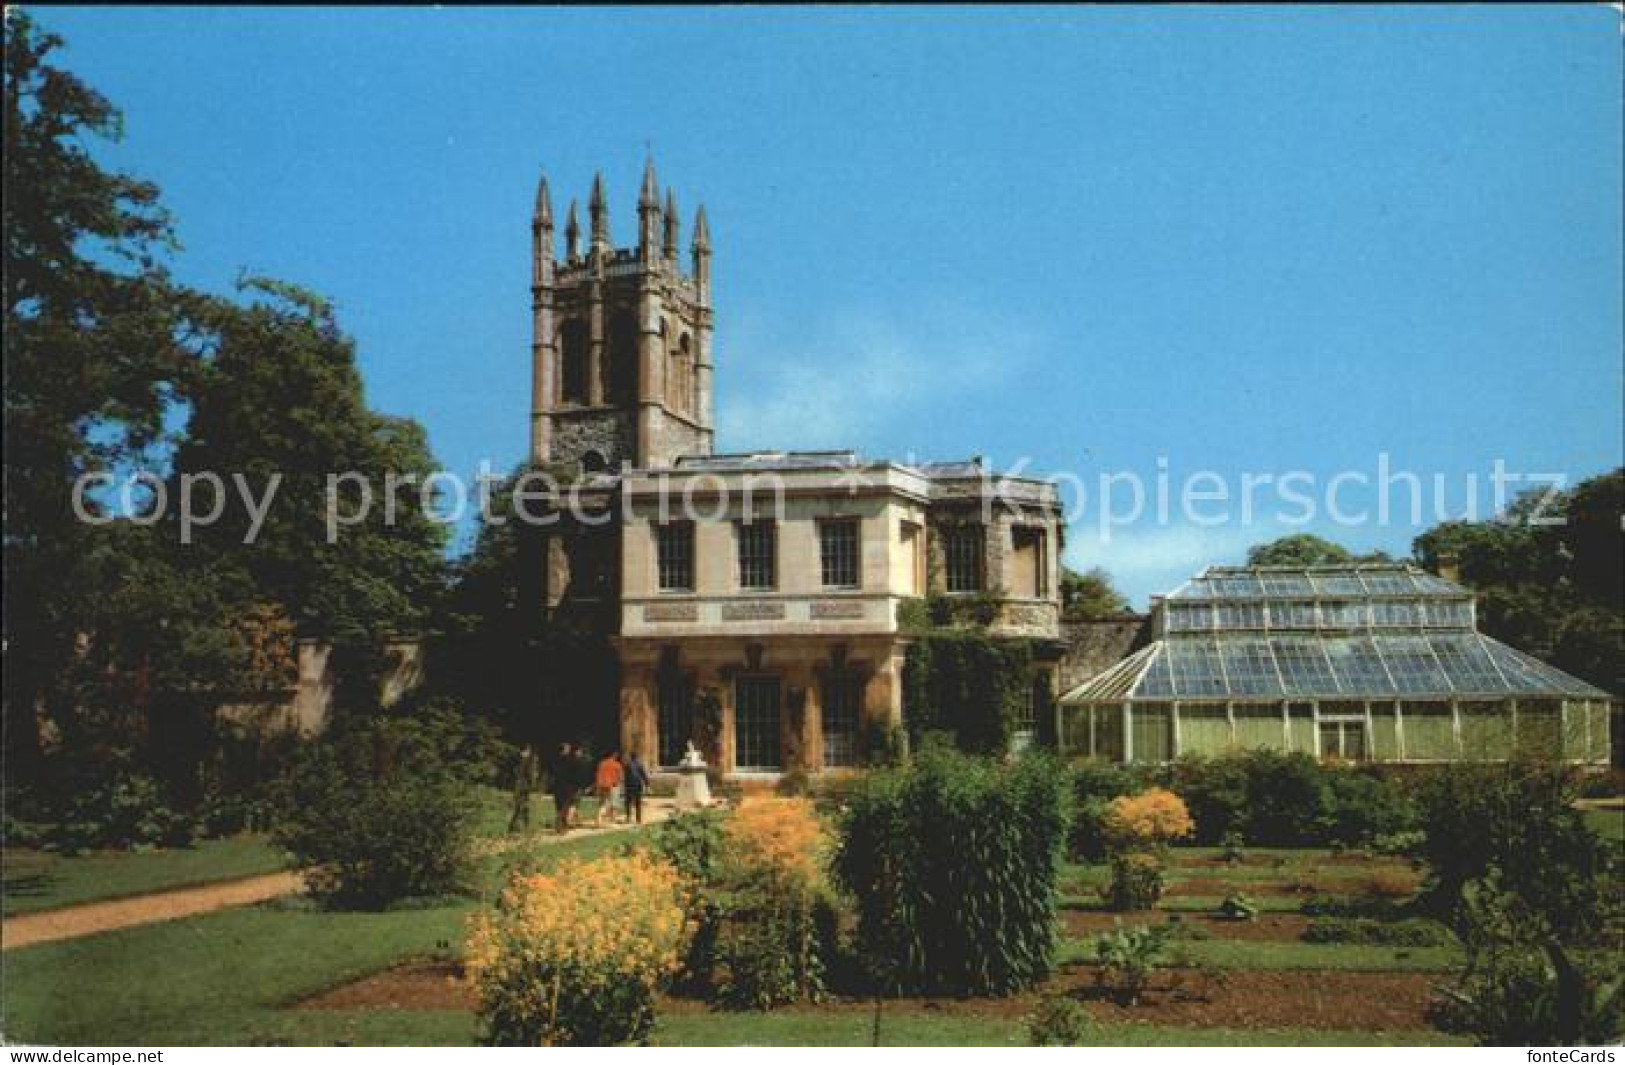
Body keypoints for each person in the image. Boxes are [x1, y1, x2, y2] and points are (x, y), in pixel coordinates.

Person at [549, 742, 579, 835]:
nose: (569, 750)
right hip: (568, 786)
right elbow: (574, 774)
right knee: (565, 807)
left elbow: (552, 773)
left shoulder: (554, 760)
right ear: (564, 749)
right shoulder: (571, 760)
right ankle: (560, 825)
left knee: (559, 806)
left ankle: (561, 825)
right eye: (568, 748)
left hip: (557, 785)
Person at [594, 749, 624, 826]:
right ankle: (612, 821)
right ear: (613, 755)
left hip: (603, 785)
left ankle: (599, 819)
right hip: (613, 786)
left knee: (603, 803)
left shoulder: (602, 763)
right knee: (614, 804)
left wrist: (598, 786)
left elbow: (598, 775)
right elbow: (621, 777)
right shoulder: (617, 764)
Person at [622, 751, 652, 825]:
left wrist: (624, 785)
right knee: (638, 802)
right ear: (636, 757)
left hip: (629, 785)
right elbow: (644, 775)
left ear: (630, 757)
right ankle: (638, 819)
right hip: (638, 785)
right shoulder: (640, 764)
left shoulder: (627, 765)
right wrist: (647, 785)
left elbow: (625, 776)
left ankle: (628, 818)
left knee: (628, 802)